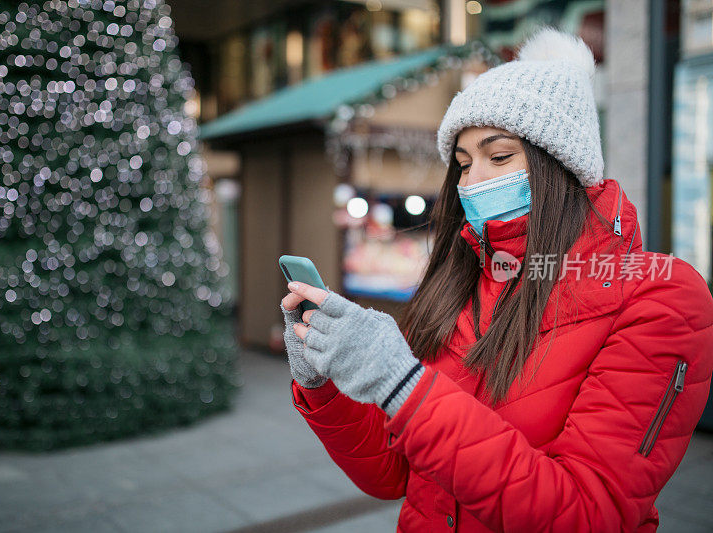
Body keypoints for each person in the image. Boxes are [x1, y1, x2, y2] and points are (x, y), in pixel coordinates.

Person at [279, 26, 713, 532]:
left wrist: (405, 386)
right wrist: (324, 384)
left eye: (500, 156)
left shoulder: (662, 297)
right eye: (462, 165)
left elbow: (591, 514)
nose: (472, 181)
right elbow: (391, 475)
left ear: (562, 164)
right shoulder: (465, 280)